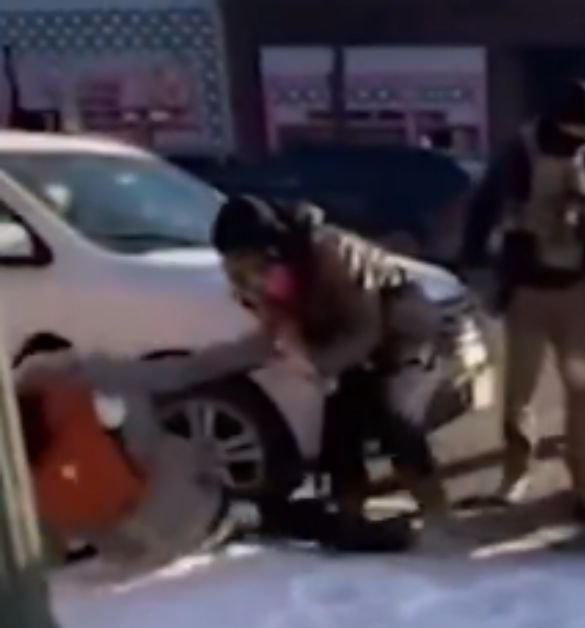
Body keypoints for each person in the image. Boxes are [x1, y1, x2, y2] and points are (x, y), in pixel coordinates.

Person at [210, 195, 454, 544]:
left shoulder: (332, 253)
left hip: (397, 329)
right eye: (237, 264)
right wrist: (286, 338)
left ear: (272, 248)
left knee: (393, 416)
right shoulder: (253, 277)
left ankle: (437, 515)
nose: (247, 273)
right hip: (342, 335)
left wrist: (316, 365)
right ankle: (349, 519)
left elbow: (365, 330)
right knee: (340, 430)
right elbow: (276, 321)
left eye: (250, 262)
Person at [459, 79, 585, 516]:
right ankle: (516, 472)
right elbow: (483, 210)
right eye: (572, 129)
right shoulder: (517, 153)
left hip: (578, 294)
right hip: (528, 292)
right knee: (519, 396)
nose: (578, 140)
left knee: (584, 395)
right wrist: (472, 266)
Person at [16, 335, 276, 567]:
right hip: (192, 520)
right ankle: (247, 515)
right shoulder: (100, 377)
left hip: (128, 556)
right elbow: (187, 370)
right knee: (171, 444)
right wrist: (257, 347)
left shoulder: (16, 438)